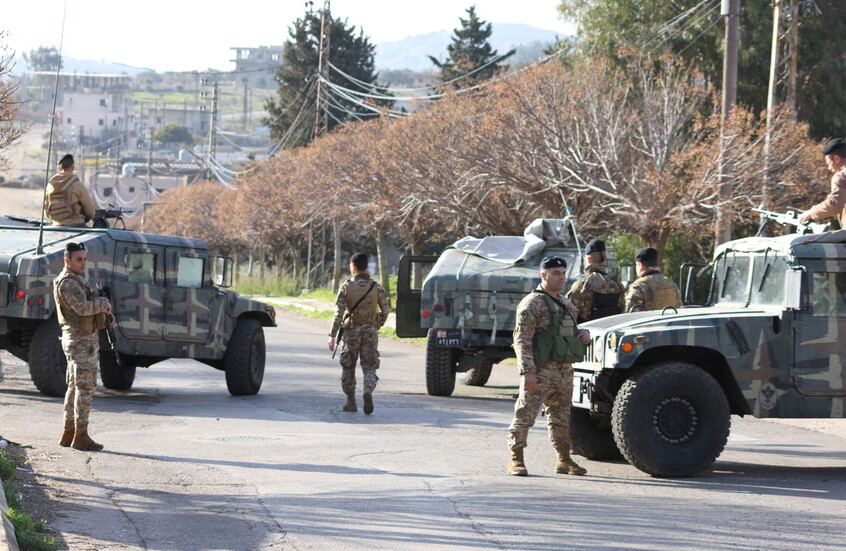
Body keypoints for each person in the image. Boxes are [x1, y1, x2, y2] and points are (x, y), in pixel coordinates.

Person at [507, 256, 591, 477]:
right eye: (556, 273)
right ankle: (516, 458)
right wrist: (527, 372)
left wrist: (583, 334)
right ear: (543, 275)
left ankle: (564, 460)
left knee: (561, 419)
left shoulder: (566, 304)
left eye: (563, 272)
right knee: (525, 415)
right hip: (540, 372)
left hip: (564, 373)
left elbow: (568, 332)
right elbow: (522, 340)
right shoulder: (531, 304)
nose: (561, 277)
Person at [55, 242, 115, 451]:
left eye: (84, 259)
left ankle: (69, 433)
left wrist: (105, 315)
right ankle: (80, 436)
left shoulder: (77, 281)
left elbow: (88, 306)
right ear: (67, 260)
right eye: (78, 259)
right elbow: (81, 308)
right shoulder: (68, 283)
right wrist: (104, 304)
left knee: (75, 387)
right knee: (86, 388)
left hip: (82, 339)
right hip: (80, 342)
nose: (82, 263)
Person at [328, 253, 389, 415]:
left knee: (348, 367)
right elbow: (386, 310)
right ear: (366, 268)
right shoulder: (377, 287)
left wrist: (332, 335)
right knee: (369, 366)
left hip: (351, 333)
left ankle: (351, 402)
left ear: (353, 267)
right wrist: (377, 324)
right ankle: (368, 390)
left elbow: (338, 313)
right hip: (370, 332)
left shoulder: (346, 287)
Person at [566, 239, 624, 323]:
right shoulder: (617, 284)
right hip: (612, 332)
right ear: (605, 258)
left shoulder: (582, 284)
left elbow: (569, 313)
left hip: (588, 332)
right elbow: (622, 310)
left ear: (589, 260)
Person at [798, 138, 846, 229]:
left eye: (828, 164)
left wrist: (811, 212)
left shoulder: (841, 177)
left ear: (836, 159)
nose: (829, 168)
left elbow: (835, 204)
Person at [624, 247, 682, 313]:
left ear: (641, 265)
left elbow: (628, 315)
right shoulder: (671, 285)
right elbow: (679, 308)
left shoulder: (638, 287)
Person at [45, 154, 96, 227]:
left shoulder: (50, 186)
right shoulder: (77, 185)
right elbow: (90, 211)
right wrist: (87, 218)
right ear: (72, 168)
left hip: (56, 226)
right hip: (76, 225)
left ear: (59, 168)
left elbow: (46, 212)